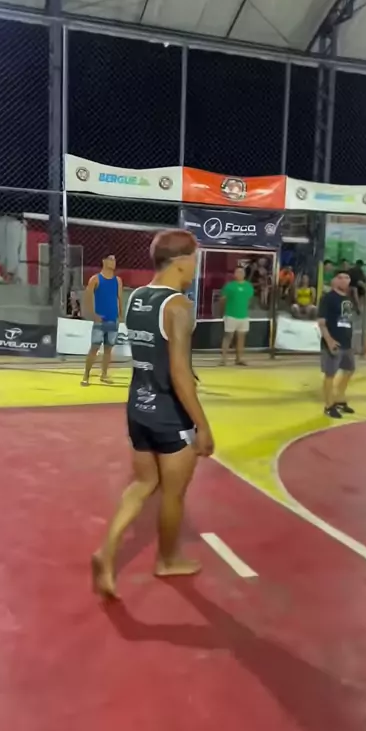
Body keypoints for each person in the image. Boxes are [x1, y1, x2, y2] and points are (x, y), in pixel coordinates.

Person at [92, 230, 214, 599]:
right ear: (181, 262)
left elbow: (152, 354)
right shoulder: (178, 306)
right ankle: (168, 559)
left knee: (142, 484)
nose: (196, 267)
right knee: (173, 495)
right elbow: (178, 374)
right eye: (194, 259)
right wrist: (202, 426)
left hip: (138, 406)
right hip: (169, 415)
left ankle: (106, 550)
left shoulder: (137, 297)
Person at [317, 269, 355, 420]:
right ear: (334, 281)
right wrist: (329, 340)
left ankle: (339, 398)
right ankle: (328, 405)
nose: (344, 280)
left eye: (347, 277)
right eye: (340, 277)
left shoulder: (348, 299)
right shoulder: (328, 298)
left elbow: (347, 320)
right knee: (330, 374)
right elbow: (321, 322)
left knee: (349, 370)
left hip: (346, 342)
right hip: (333, 342)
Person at [81, 253, 123, 386]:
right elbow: (88, 298)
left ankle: (104, 374)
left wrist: (120, 314)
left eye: (114, 260)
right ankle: (86, 375)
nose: (113, 262)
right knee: (94, 348)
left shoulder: (117, 280)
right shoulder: (95, 279)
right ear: (104, 261)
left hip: (113, 319)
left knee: (108, 349)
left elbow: (119, 298)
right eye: (111, 259)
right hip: (100, 320)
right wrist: (93, 314)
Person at [219, 265, 254, 366]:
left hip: (243, 316)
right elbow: (222, 300)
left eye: (241, 272)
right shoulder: (229, 286)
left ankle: (239, 359)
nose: (239, 274)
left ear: (244, 274)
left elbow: (249, 300)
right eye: (237, 272)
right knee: (228, 337)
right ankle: (223, 359)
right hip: (231, 315)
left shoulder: (248, 286)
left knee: (241, 338)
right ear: (234, 274)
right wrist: (222, 312)